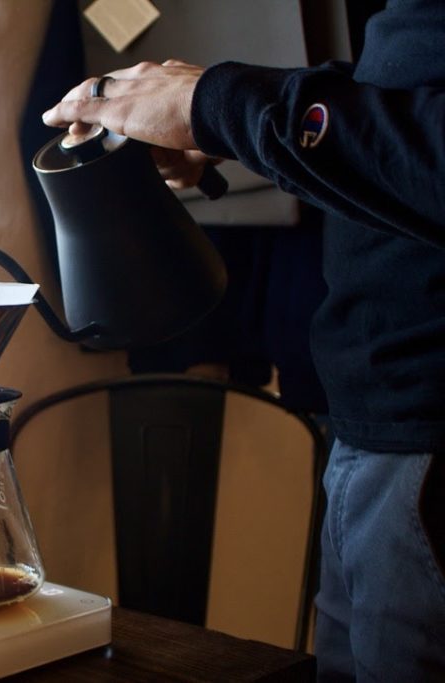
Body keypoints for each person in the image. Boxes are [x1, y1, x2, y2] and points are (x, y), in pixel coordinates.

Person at [41, 1, 445, 680]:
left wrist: (219, 102)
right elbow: (411, 97)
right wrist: (235, 127)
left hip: (425, 429)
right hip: (375, 425)